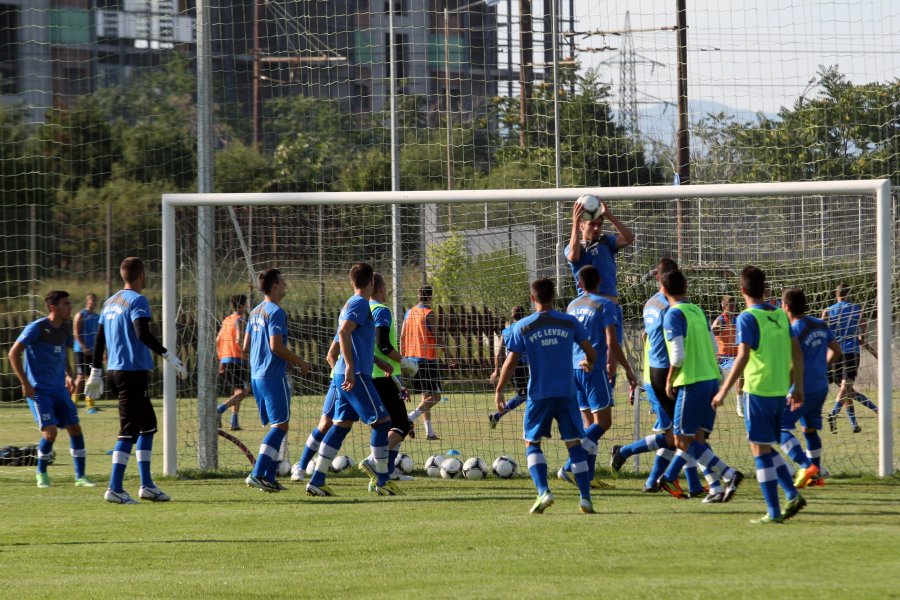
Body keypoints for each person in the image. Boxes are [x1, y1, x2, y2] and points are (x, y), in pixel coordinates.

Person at [85, 257, 188, 504]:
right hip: (131, 373)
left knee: (148, 426)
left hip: (117, 371)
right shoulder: (138, 300)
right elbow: (142, 332)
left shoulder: (110, 302)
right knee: (128, 432)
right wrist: (168, 355)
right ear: (141, 274)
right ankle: (114, 488)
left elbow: (99, 340)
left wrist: (95, 371)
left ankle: (147, 485)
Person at [494, 278, 598, 514]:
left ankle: (543, 492)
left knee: (532, 442)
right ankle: (585, 498)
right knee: (574, 444)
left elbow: (510, 361)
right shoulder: (569, 322)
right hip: (567, 393)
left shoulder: (523, 326)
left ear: (533, 298)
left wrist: (499, 389)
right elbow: (590, 351)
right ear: (555, 297)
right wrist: (588, 362)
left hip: (539, 394)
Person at [712, 266, 807, 524]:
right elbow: (796, 351)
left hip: (758, 390)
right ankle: (791, 494)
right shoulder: (778, 313)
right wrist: (797, 386)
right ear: (764, 288)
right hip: (779, 390)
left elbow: (741, 356)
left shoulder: (746, 318)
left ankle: (775, 511)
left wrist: (723, 390)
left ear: (742, 290)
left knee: (758, 450)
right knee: (764, 446)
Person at [305, 263, 400, 497]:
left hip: (348, 372)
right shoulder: (359, 303)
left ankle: (317, 480)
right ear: (370, 283)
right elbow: (344, 333)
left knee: (341, 425)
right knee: (382, 422)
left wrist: (378, 362)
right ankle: (382, 479)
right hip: (354, 374)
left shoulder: (352, 302)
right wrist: (350, 367)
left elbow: (357, 340)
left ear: (352, 281)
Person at [654, 270, 744, 504]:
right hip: (712, 378)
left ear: (663, 290)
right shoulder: (697, 310)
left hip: (692, 381)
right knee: (698, 439)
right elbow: (712, 343)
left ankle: (727, 474)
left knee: (681, 438)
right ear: (685, 288)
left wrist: (669, 379)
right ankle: (715, 487)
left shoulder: (673, 314)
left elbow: (677, 355)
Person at [611, 258, 697, 494]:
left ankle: (652, 481)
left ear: (658, 278)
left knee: (671, 434)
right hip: (665, 375)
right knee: (679, 434)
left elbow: (646, 337)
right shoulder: (673, 306)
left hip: (652, 374)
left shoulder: (650, 303)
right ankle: (625, 453)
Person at [559, 265, 638, 489]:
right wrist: (629, 370)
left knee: (589, 425)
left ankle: (588, 476)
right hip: (593, 369)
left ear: (580, 283)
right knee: (604, 422)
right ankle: (568, 467)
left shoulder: (572, 305)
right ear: (600, 281)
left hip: (574, 368)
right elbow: (612, 342)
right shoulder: (605, 305)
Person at [9, 290, 95, 488]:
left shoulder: (65, 328)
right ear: (53, 307)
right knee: (50, 433)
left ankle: (80, 477)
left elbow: (63, 355)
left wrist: (68, 375)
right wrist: (25, 383)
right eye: (66, 304)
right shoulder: (36, 328)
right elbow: (13, 354)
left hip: (59, 389)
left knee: (75, 428)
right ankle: (41, 474)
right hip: (39, 391)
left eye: (70, 303)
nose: (69, 307)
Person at [243, 269, 309, 493]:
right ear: (273, 287)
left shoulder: (254, 312)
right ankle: (257, 472)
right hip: (272, 376)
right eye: (281, 282)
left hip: (256, 376)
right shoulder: (276, 312)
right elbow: (276, 346)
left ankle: (269, 477)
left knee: (276, 426)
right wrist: (300, 361)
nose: (285, 284)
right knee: (280, 426)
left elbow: (244, 348)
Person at [358, 273, 419, 483]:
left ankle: (389, 470)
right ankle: (374, 461)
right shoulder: (381, 310)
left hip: (369, 374)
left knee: (390, 423)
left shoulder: (362, 309)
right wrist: (405, 362)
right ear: (382, 289)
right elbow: (383, 344)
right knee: (402, 424)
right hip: (383, 375)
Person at [564, 197, 635, 374]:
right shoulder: (574, 247)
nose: (596, 228)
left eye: (599, 225)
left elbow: (629, 238)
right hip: (590, 311)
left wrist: (609, 215)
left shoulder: (607, 243)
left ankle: (605, 396)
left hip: (611, 308)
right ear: (582, 226)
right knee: (589, 358)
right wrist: (574, 223)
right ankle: (591, 398)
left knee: (611, 364)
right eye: (591, 224)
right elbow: (573, 256)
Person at [780, 288, 841, 488]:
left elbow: (791, 363)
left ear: (786, 306)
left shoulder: (794, 330)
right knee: (810, 429)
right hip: (821, 386)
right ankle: (816, 475)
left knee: (780, 427)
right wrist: (823, 367)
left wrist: (787, 387)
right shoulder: (820, 324)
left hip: (802, 388)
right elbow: (836, 350)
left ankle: (806, 466)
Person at [823, 283, 878, 434]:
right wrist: (862, 336)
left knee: (848, 391)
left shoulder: (828, 310)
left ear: (836, 293)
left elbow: (822, 327)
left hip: (834, 354)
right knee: (846, 388)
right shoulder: (856, 309)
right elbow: (863, 325)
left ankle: (855, 424)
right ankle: (833, 414)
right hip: (851, 352)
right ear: (850, 293)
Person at [402, 285, 452, 441]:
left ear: (418, 295)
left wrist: (403, 358)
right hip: (427, 360)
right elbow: (437, 337)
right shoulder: (429, 314)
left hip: (412, 360)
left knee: (426, 398)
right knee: (436, 397)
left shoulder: (409, 313)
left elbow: (403, 335)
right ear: (431, 296)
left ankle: (429, 433)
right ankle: (410, 418)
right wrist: (450, 354)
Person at [488, 305, 528, 428]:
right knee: (526, 395)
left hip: (510, 366)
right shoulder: (526, 329)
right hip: (524, 366)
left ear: (512, 316)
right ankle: (497, 416)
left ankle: (497, 416)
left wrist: (496, 370)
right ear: (524, 316)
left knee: (528, 394)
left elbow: (498, 353)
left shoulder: (506, 332)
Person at [216, 294, 249, 431]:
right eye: (246, 304)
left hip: (225, 359)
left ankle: (234, 423)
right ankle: (219, 409)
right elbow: (239, 340)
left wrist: (220, 358)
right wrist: (246, 353)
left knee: (237, 391)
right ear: (242, 305)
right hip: (237, 359)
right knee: (244, 391)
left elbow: (217, 340)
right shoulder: (240, 320)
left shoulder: (226, 320)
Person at [711, 294, 744, 418]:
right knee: (740, 373)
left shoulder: (737, 320)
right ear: (723, 306)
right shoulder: (721, 320)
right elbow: (710, 335)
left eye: (734, 305)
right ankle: (740, 406)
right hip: (724, 357)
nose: (733, 307)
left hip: (736, 355)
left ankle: (744, 402)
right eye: (730, 305)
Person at [72, 293, 101, 414]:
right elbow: (76, 333)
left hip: (93, 351)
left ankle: (90, 405)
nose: (94, 302)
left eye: (95, 300)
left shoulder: (97, 316)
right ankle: (73, 403)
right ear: (87, 301)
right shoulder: (81, 315)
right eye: (92, 300)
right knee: (80, 376)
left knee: (91, 377)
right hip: (81, 351)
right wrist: (84, 347)